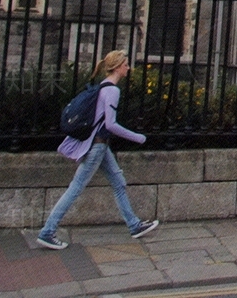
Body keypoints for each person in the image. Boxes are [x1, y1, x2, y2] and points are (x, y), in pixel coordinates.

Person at [37, 50, 159, 249]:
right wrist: (138, 137)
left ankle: (134, 225)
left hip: (100, 146)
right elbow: (110, 125)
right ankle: (47, 231)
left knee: (118, 182)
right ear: (118, 67)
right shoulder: (112, 90)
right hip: (97, 147)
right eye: (126, 64)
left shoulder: (102, 87)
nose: (129, 68)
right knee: (76, 188)